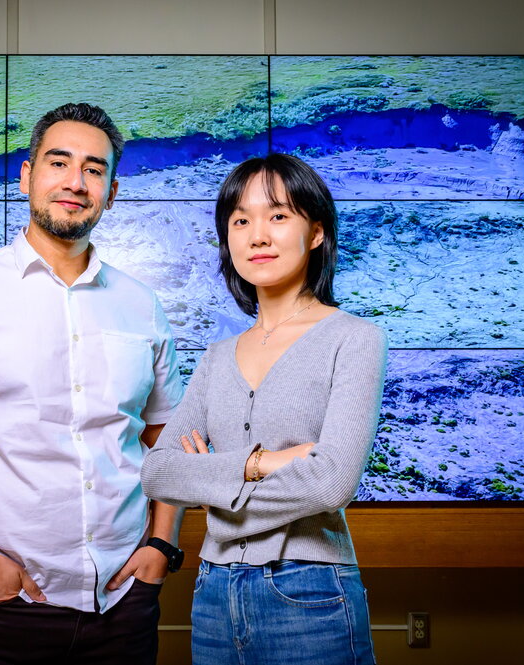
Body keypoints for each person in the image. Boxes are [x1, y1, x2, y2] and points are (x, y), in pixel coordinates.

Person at [0, 103, 186, 665]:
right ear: (26, 177)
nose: (75, 181)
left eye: (95, 169)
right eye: (59, 162)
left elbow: (166, 441)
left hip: (122, 605)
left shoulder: (142, 305)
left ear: (112, 192)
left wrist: (161, 546)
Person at [141, 153, 387, 665]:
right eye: (241, 220)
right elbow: (159, 472)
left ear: (316, 232)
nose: (257, 235)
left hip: (308, 590)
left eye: (278, 215)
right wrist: (260, 463)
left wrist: (211, 485)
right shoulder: (215, 357)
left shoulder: (354, 339)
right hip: (212, 594)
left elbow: (332, 482)